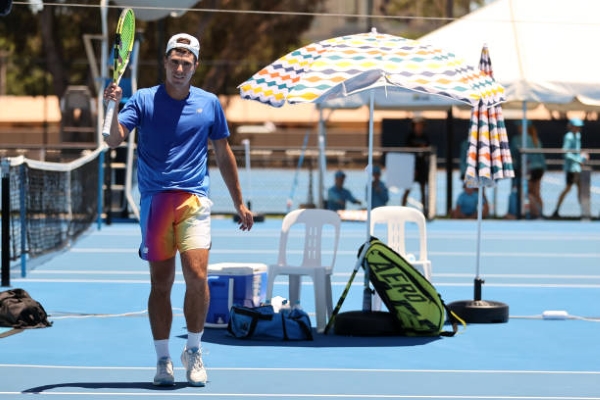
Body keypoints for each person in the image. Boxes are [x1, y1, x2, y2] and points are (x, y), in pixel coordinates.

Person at [103, 33, 254, 387]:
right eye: (175, 61)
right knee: (161, 283)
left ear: (195, 66)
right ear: (166, 63)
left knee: (198, 276)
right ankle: (162, 359)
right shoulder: (142, 100)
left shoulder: (209, 104)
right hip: (155, 200)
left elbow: (223, 152)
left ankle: (194, 350)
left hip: (194, 200)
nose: (180, 68)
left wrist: (239, 202)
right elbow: (112, 138)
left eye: (187, 63)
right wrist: (110, 106)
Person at [551, 118, 588, 218]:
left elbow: (577, 151)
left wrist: (582, 157)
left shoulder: (578, 136)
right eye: (576, 126)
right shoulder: (569, 136)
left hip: (577, 168)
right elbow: (565, 152)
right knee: (568, 189)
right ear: (571, 127)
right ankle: (556, 210)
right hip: (571, 168)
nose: (578, 128)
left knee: (581, 190)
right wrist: (578, 160)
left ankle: (584, 212)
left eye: (579, 127)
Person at [510, 120, 547, 218]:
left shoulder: (518, 139)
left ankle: (535, 213)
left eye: (520, 126)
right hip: (539, 169)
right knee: (536, 194)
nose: (518, 128)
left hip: (529, 169)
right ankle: (540, 213)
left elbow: (513, 155)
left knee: (528, 193)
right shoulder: (535, 139)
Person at [402, 117, 431, 214]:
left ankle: (425, 211)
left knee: (423, 190)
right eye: (417, 125)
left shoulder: (425, 137)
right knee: (407, 188)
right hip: (411, 166)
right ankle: (402, 209)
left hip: (422, 166)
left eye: (421, 125)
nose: (419, 127)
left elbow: (428, 149)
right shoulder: (410, 137)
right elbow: (407, 150)